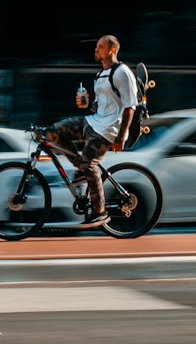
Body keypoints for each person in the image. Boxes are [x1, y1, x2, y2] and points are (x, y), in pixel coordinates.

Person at [44, 34, 138, 228]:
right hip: (93, 122)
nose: (96, 50)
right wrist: (86, 103)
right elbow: (100, 107)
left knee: (89, 164)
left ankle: (100, 212)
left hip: (109, 130)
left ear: (112, 50)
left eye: (100, 47)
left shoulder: (122, 72)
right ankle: (82, 170)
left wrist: (121, 135)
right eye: (96, 47)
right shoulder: (100, 75)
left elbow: (130, 106)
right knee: (54, 133)